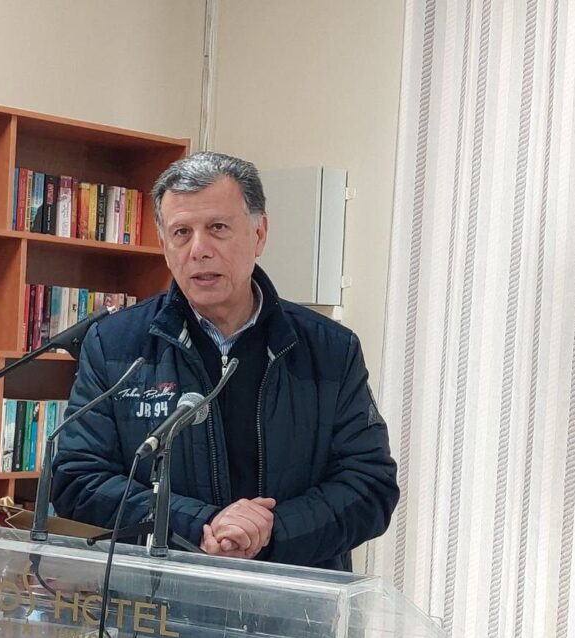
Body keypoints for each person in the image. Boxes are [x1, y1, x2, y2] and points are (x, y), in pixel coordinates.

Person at [51, 151, 398, 571]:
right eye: (181, 232)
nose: (199, 250)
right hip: (160, 596)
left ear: (259, 233)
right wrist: (199, 523)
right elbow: (77, 479)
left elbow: (369, 485)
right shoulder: (116, 344)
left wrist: (271, 530)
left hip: (294, 597)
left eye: (217, 228)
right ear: (164, 246)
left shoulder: (330, 349)